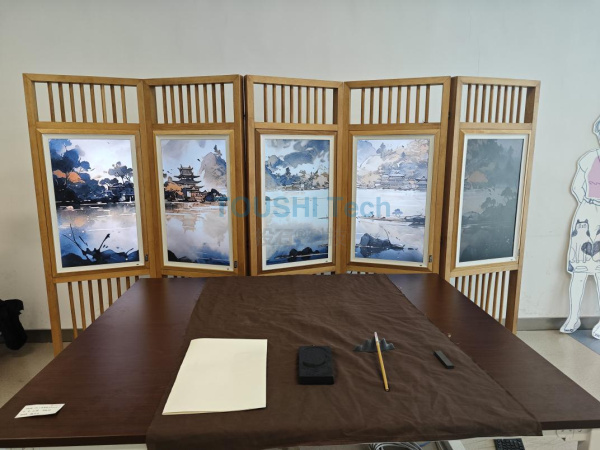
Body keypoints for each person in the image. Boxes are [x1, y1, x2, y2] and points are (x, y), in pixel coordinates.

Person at [561, 116, 600, 339]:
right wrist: (589, 205)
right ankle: (573, 317)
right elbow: (577, 187)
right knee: (579, 270)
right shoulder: (589, 158)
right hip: (586, 215)